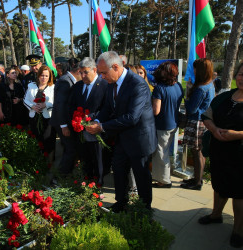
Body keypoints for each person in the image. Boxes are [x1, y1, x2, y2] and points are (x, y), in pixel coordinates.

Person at [86, 51, 156, 212]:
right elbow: (108, 108)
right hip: (121, 139)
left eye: (103, 72)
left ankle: (144, 210)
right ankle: (121, 203)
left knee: (141, 177)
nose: (102, 77)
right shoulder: (112, 83)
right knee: (118, 171)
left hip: (140, 140)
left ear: (116, 67)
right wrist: (97, 121)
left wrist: (102, 127)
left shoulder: (137, 84)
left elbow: (132, 117)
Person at [199, 62, 243, 248]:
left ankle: (238, 230)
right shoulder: (224, 96)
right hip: (219, 152)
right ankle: (216, 215)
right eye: (241, 74)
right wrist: (215, 129)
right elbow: (207, 116)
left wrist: (237, 135)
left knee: (239, 193)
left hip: (240, 155)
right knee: (219, 185)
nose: (242, 78)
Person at [69, 58, 108, 185]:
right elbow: (72, 105)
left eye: (85, 72)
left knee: (98, 159)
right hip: (80, 132)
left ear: (95, 70)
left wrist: (94, 119)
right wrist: (76, 118)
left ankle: (98, 183)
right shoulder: (78, 86)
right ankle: (86, 181)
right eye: (81, 72)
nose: (83, 75)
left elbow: (107, 108)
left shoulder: (105, 85)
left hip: (97, 131)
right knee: (84, 159)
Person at [181, 58, 215, 190]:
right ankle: (197, 178)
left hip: (197, 122)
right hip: (204, 121)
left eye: (195, 68)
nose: (193, 71)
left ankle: (197, 182)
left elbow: (191, 108)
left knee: (197, 153)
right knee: (199, 152)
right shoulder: (210, 85)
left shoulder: (201, 89)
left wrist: (188, 95)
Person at [151, 62, 184, 188]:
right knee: (164, 151)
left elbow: (156, 110)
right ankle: (162, 177)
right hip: (174, 123)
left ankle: (164, 180)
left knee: (161, 153)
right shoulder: (179, 86)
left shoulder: (159, 88)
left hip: (162, 125)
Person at [50, 58, 81, 177]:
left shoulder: (67, 79)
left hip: (64, 122)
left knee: (69, 149)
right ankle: (61, 176)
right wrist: (64, 125)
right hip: (62, 122)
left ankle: (64, 174)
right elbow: (60, 104)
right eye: (82, 73)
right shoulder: (65, 81)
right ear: (78, 71)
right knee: (71, 149)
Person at [24, 65, 56, 155]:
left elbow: (56, 102)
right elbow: (25, 100)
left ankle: (49, 161)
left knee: (48, 140)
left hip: (47, 118)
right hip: (34, 117)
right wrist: (32, 106)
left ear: (50, 77)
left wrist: (45, 105)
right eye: (42, 75)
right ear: (38, 75)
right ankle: (37, 161)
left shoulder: (53, 87)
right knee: (36, 139)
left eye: (46, 76)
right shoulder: (31, 86)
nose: (44, 78)